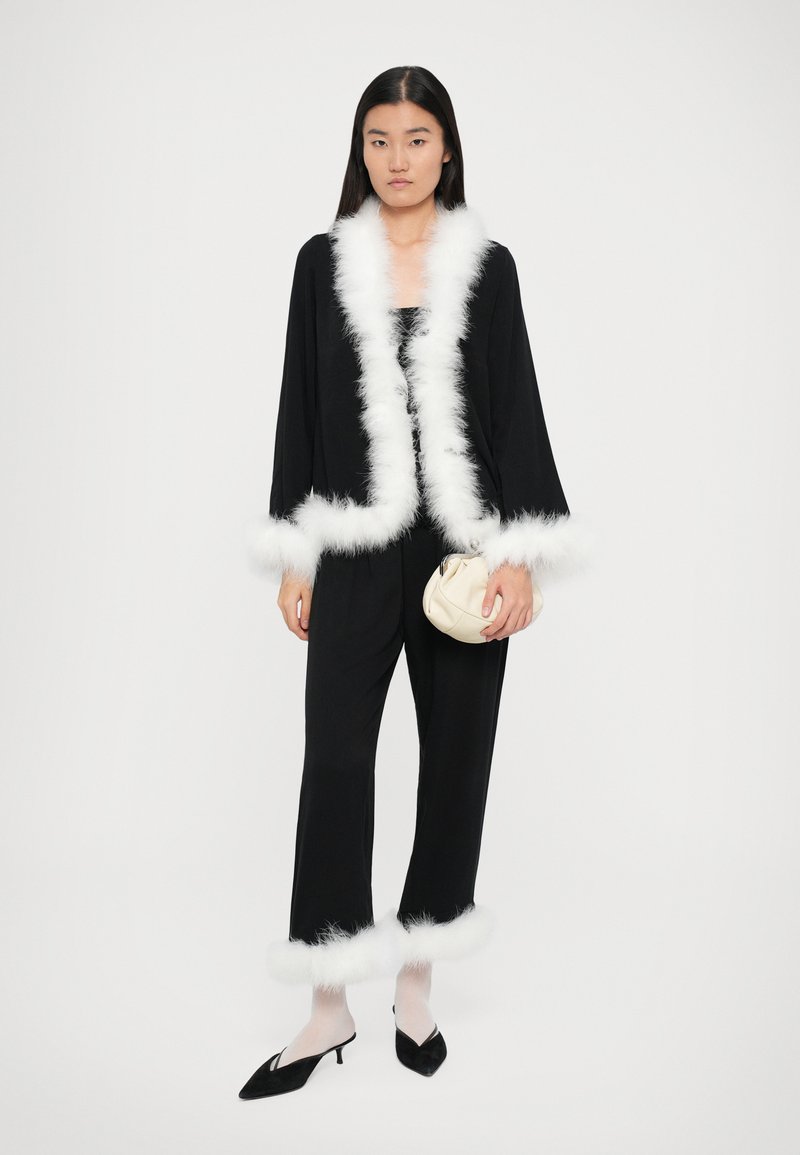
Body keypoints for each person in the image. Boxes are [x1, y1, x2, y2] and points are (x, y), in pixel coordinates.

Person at [240, 65, 587, 1098]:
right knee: (336, 764)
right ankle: (326, 1007)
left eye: (416, 138)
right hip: (353, 543)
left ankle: (417, 983)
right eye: (379, 139)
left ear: (447, 149)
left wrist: (519, 553)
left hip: (462, 553)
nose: (397, 159)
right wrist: (296, 552)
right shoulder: (321, 264)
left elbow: (516, 406)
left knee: (456, 763)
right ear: (362, 150)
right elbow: (299, 407)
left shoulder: (486, 267)